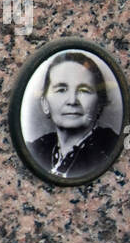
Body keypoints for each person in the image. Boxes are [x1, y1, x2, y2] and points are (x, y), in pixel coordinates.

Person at [25, 50, 119, 179]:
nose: (72, 101)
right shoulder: (36, 150)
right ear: (45, 103)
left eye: (84, 90)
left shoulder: (111, 149)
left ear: (99, 102)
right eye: (61, 90)